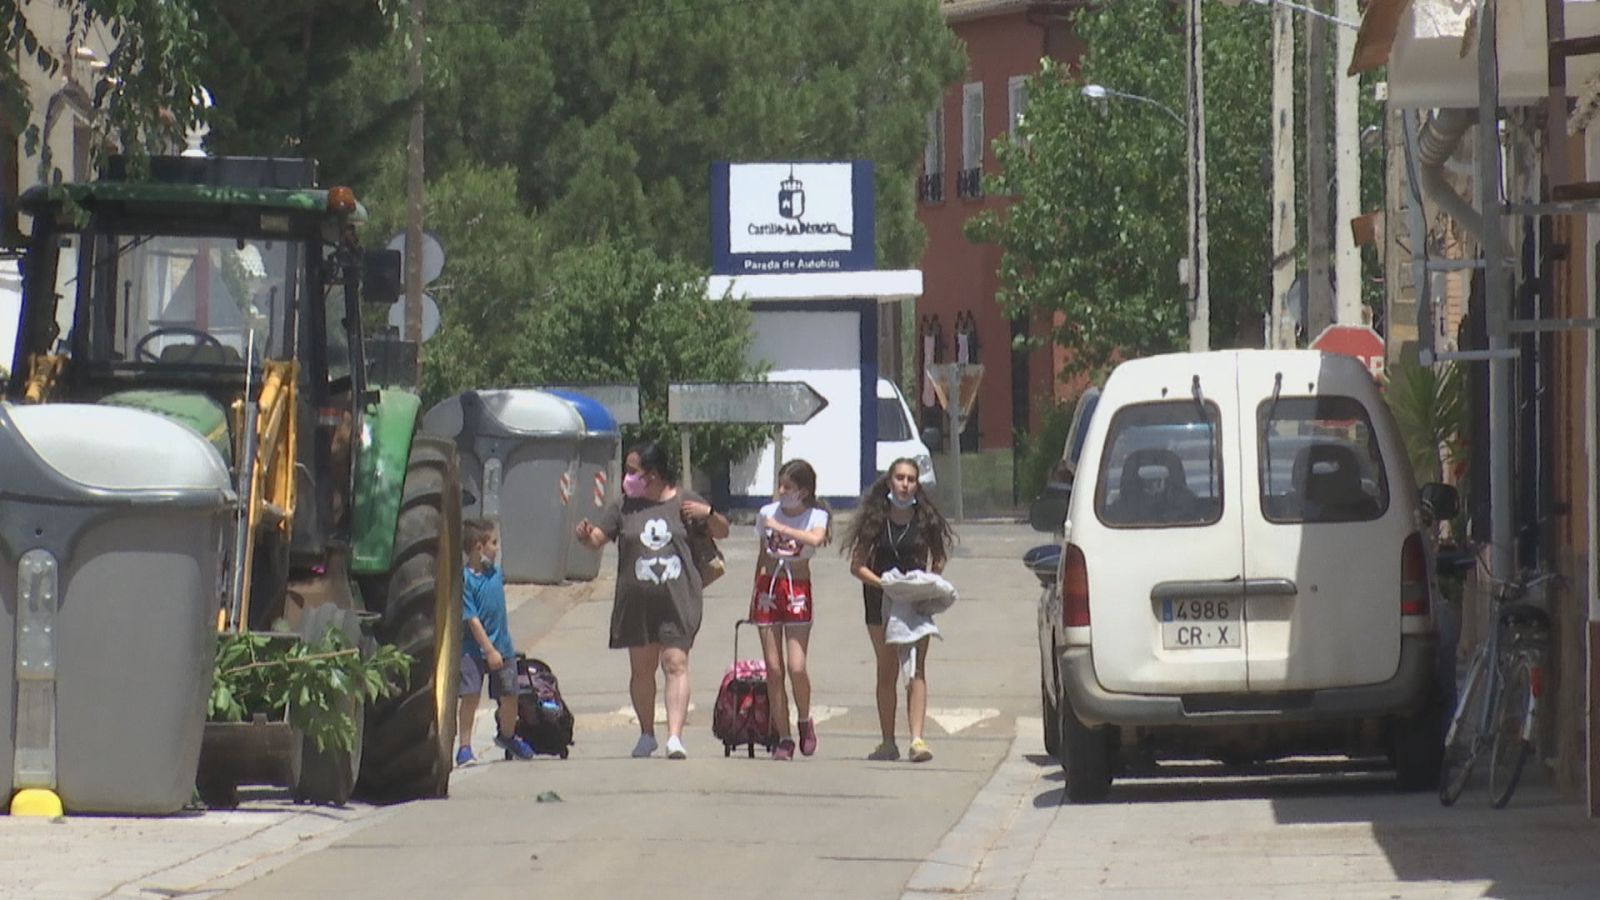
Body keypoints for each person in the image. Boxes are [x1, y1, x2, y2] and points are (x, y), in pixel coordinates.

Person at [575, 441, 729, 760]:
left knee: (675, 663)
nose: (627, 478)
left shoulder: (685, 502)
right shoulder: (622, 507)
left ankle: (675, 736)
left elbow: (722, 531)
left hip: (678, 600)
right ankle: (647, 734)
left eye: (633, 471)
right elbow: (597, 541)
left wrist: (708, 513)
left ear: (653, 474)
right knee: (642, 670)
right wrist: (585, 534)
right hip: (637, 605)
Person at [842, 457, 955, 763]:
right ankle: (888, 741)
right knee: (887, 668)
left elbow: (939, 558)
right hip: (880, 599)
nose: (905, 485)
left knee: (916, 667)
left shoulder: (925, 519)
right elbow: (857, 565)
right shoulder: (876, 520)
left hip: (915, 600)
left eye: (911, 479)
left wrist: (928, 583)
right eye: (900, 478)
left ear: (917, 485)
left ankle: (917, 739)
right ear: (889, 482)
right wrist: (884, 584)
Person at [751, 459, 831, 761]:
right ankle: (783, 736)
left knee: (796, 666)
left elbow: (815, 540)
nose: (782, 492)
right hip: (769, 588)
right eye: (780, 486)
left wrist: (782, 528)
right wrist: (753, 594)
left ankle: (804, 719)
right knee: (774, 668)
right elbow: (762, 554)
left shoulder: (816, 515)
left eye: (789, 487)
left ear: (804, 491)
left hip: (796, 587)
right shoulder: (766, 513)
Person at [456, 518, 534, 764]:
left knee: (510, 695)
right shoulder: (466, 581)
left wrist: (499, 648)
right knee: (470, 696)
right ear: (479, 547)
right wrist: (488, 650)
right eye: (493, 542)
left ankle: (508, 735)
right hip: (475, 650)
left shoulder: (496, 573)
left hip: (503, 646)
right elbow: (472, 619)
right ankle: (465, 747)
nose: (497, 548)